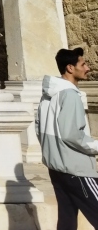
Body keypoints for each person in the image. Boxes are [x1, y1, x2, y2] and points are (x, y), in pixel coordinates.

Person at [36, 47, 98, 229]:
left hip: (57, 168)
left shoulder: (48, 95)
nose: (88, 68)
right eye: (83, 64)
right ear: (70, 68)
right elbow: (72, 135)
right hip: (76, 169)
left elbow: (39, 128)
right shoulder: (70, 95)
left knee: (67, 221)